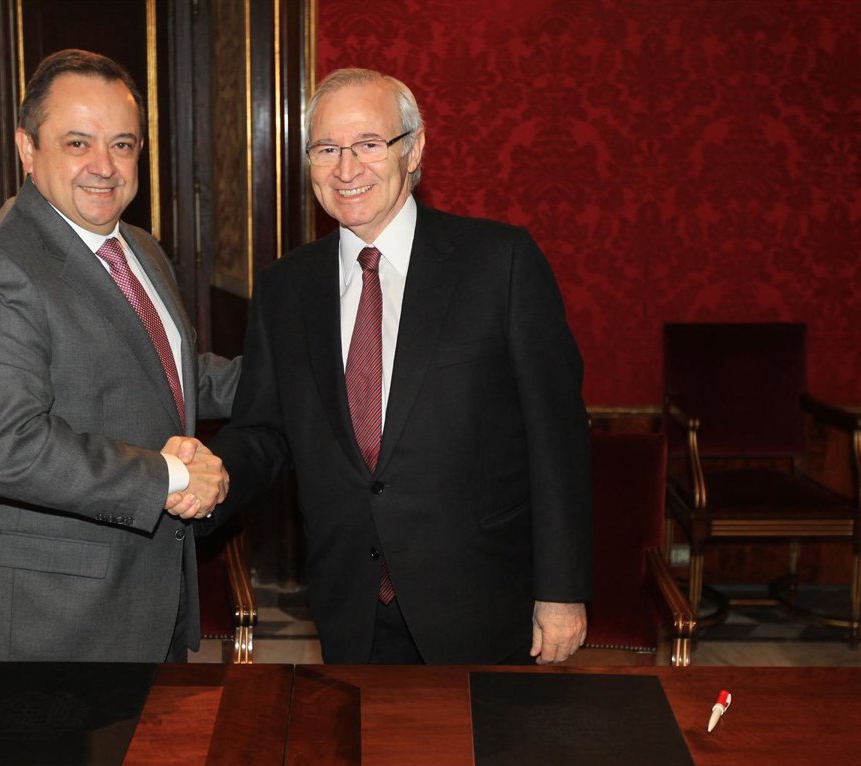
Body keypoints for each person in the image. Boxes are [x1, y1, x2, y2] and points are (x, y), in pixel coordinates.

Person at [213, 68, 591, 665]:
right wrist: (200, 476)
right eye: (326, 149)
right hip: (350, 605)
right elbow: (265, 429)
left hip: (481, 599)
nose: (346, 169)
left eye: (368, 144)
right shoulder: (285, 288)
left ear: (413, 150)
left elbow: (558, 438)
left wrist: (561, 591)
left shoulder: (500, 263)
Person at [0, 49, 239, 663]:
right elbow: (8, 449)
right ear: (27, 149)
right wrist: (172, 477)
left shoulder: (137, 246)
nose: (104, 167)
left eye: (122, 145)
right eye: (78, 143)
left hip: (141, 595)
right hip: (41, 622)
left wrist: (303, 374)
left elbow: (170, 374)